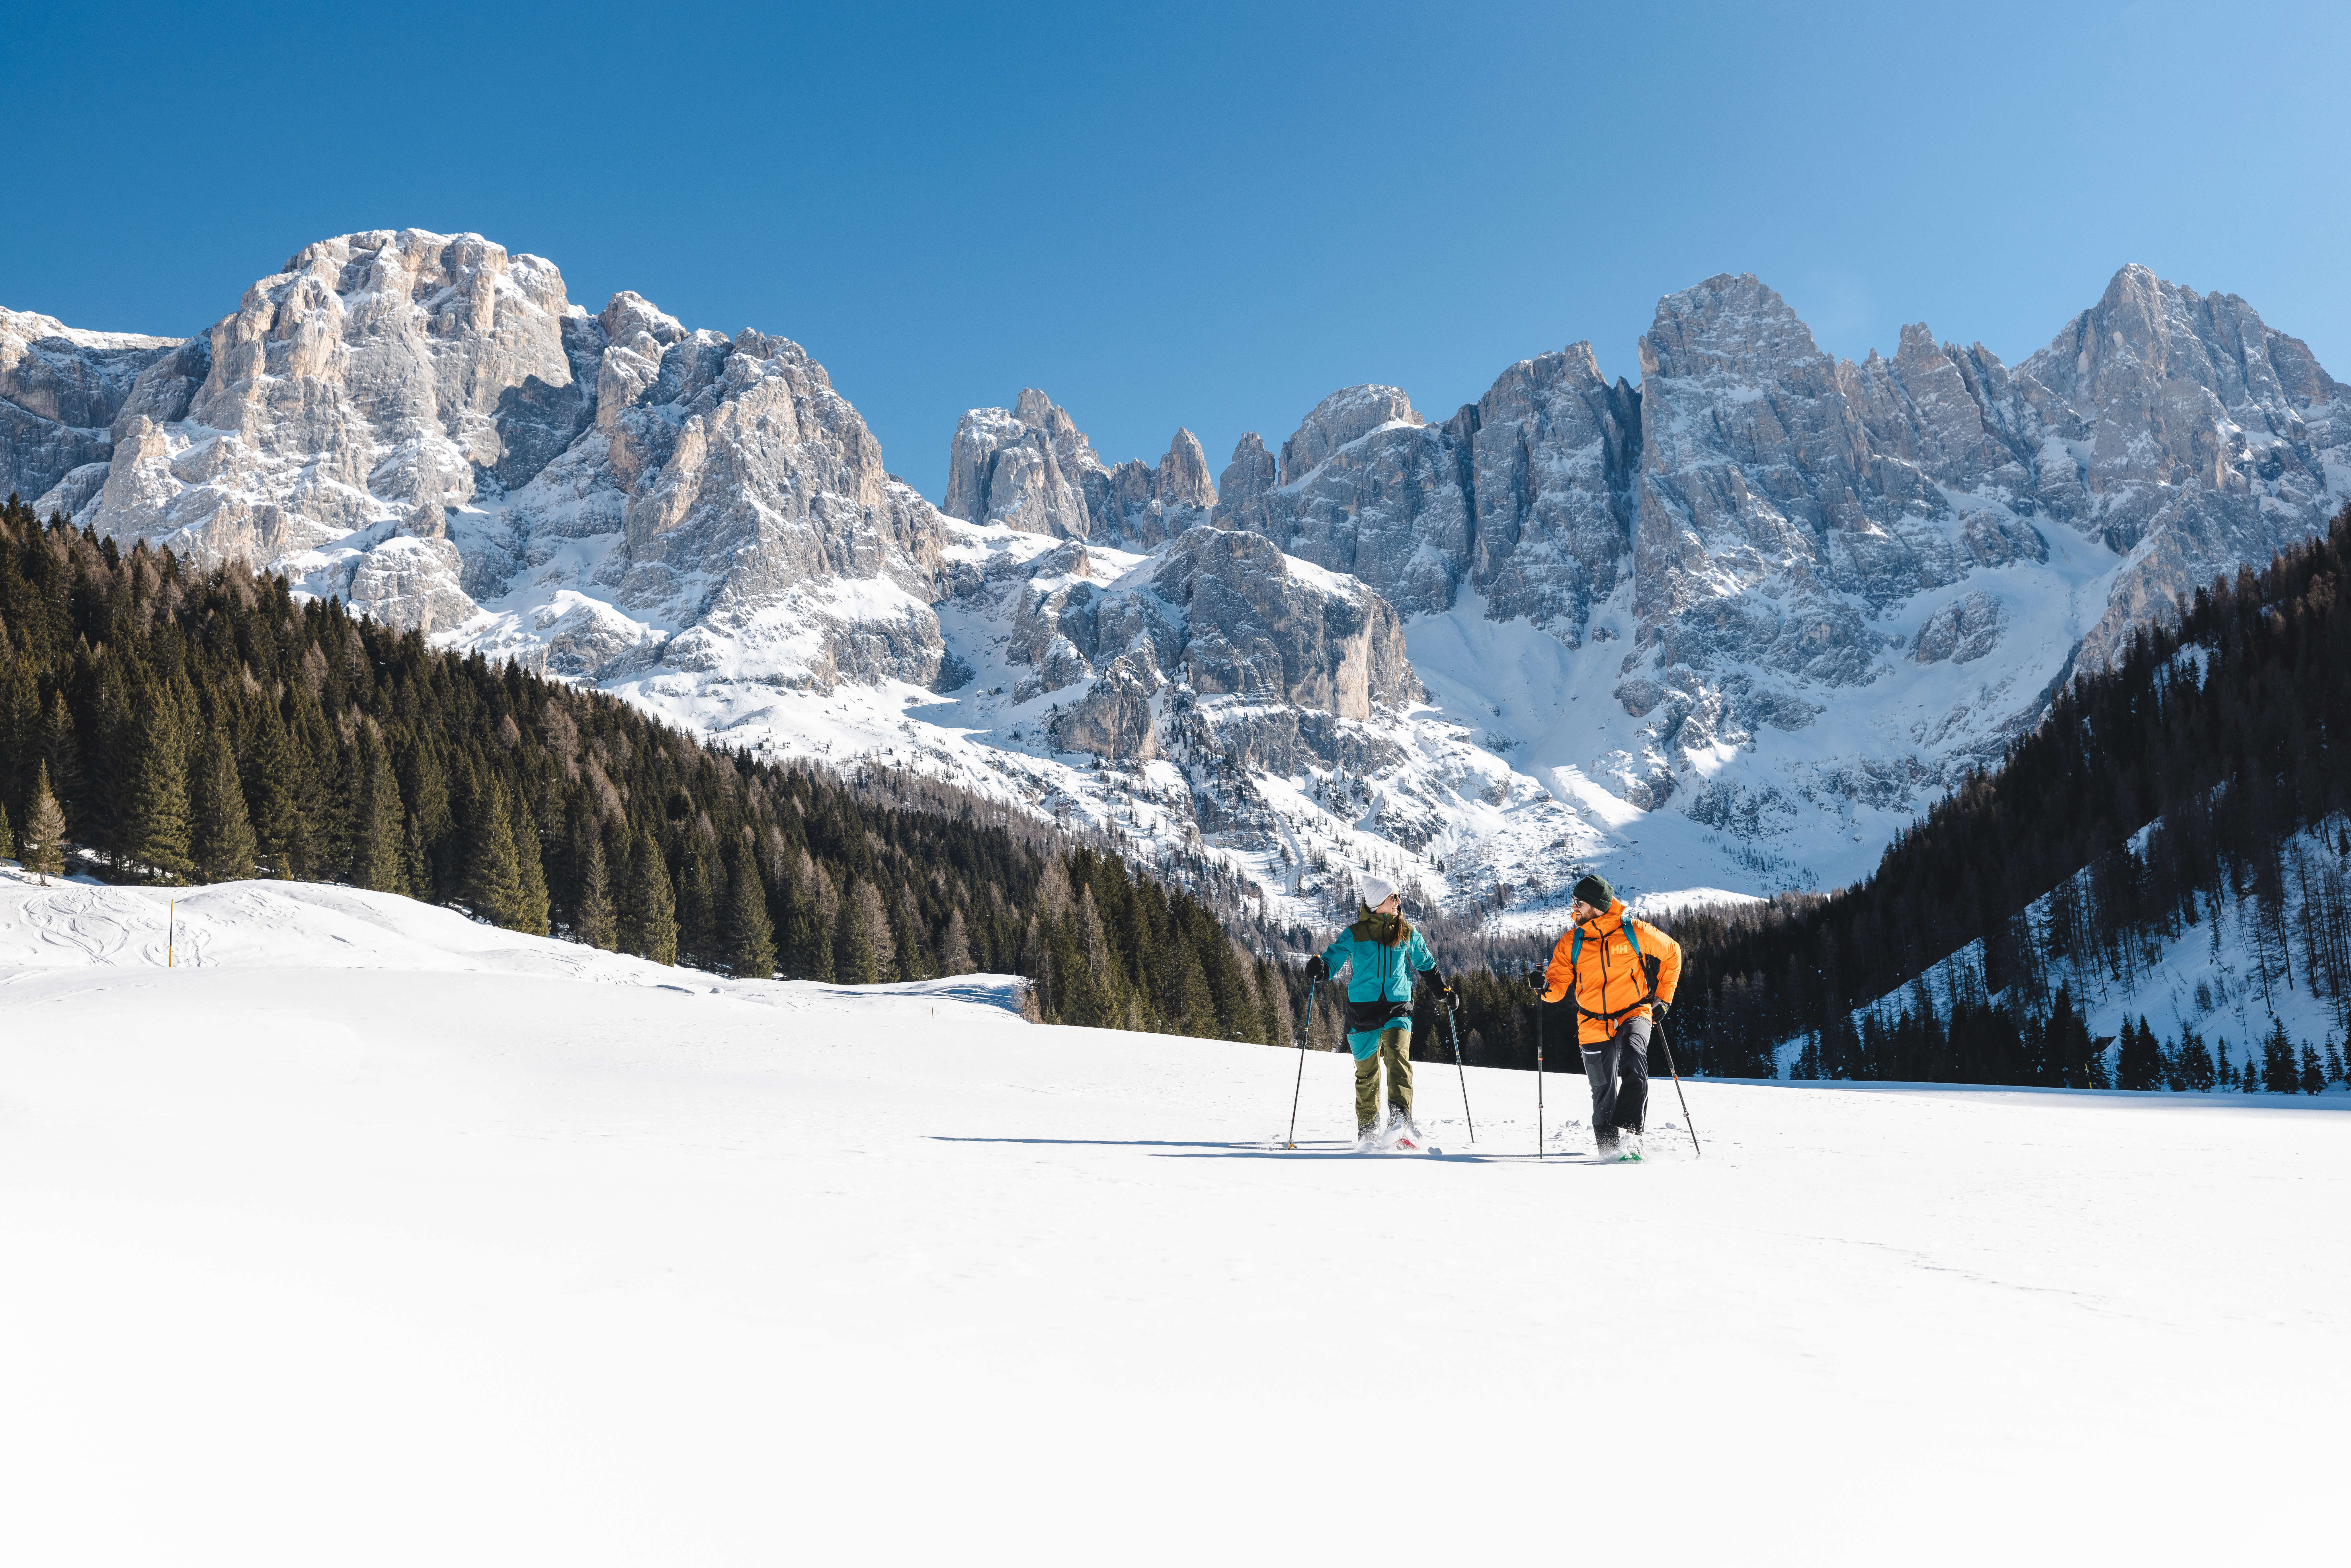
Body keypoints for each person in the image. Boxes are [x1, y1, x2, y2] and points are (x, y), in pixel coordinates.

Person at [1539, 873, 1682, 1159]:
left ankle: (1632, 1140)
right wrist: (1544, 990)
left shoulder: (1634, 931)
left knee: (1633, 1058)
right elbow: (1557, 987)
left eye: (1578, 902)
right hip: (1591, 1022)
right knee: (1601, 1089)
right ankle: (1608, 1154)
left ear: (1595, 905)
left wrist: (1663, 998)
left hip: (1633, 1012)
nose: (1574, 907)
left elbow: (1673, 954)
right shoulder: (1572, 942)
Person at [1306, 875, 1453, 1149]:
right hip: (1362, 1010)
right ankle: (1369, 1132)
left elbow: (1425, 964)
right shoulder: (1355, 934)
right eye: (1393, 897)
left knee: (1398, 1056)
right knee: (1367, 1073)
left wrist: (1442, 991)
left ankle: (1401, 1124)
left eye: (1398, 896)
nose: (1399, 901)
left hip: (1398, 1006)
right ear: (1377, 904)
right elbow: (1332, 959)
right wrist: (1320, 968)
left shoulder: (1406, 931)